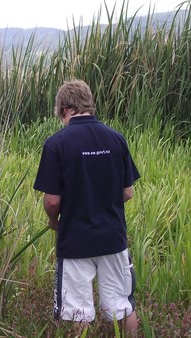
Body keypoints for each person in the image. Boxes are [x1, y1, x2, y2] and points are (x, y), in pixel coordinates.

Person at [33, 80, 141, 336]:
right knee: (122, 306)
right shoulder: (116, 139)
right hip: (113, 238)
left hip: (75, 239)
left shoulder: (56, 143)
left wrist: (53, 220)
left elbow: (52, 201)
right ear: (88, 104)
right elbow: (127, 192)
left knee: (79, 311)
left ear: (64, 109)